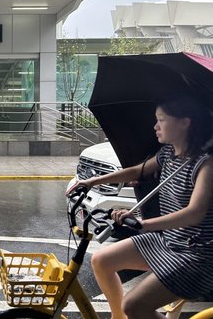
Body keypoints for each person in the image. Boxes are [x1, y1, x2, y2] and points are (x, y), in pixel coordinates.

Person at [67, 95, 213, 319]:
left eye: (161, 120)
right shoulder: (168, 154)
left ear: (185, 122)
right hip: (167, 241)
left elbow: (194, 213)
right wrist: (91, 181)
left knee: (134, 306)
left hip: (196, 255)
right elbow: (136, 171)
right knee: (101, 260)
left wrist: (144, 224)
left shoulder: (205, 164)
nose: (155, 126)